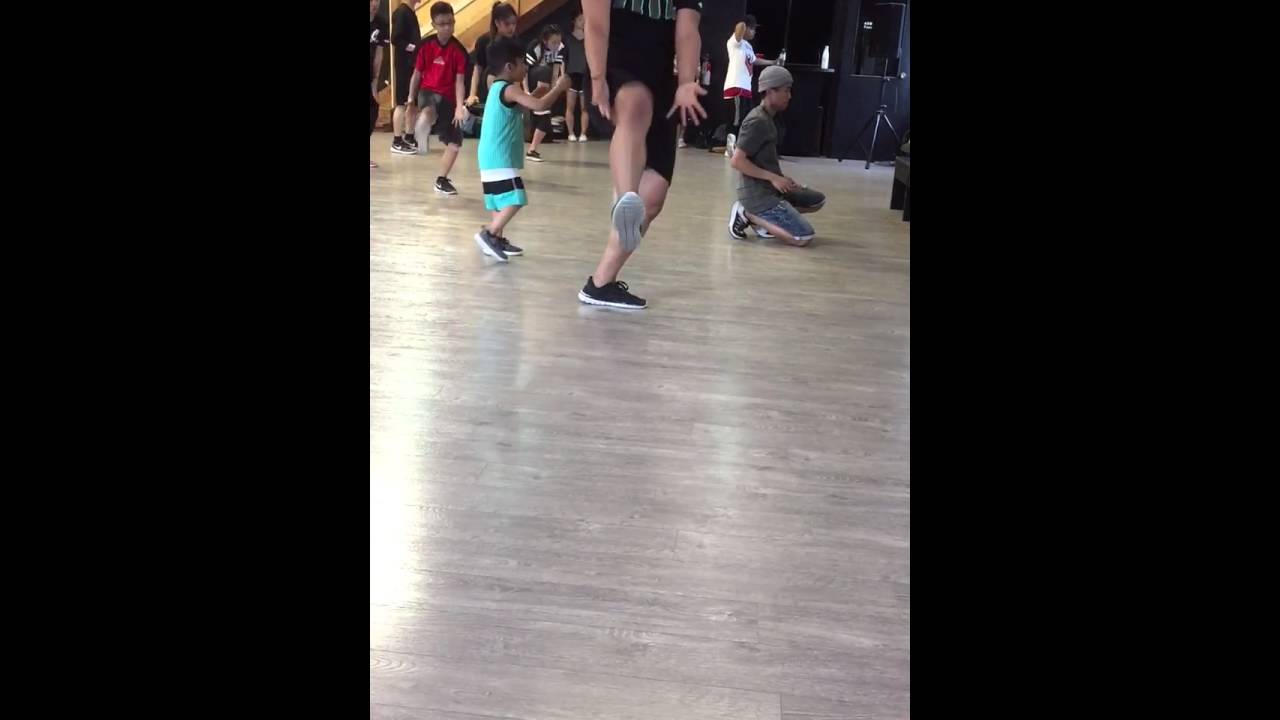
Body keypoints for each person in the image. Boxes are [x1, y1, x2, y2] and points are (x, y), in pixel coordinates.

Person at [577, 0, 705, 310]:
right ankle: (625, 197)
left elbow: (688, 30)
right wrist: (598, 79)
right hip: (613, 65)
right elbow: (596, 25)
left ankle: (600, 284)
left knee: (654, 195)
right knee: (636, 103)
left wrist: (687, 82)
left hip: (661, 77)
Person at [474, 38, 573, 262]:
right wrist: (558, 88)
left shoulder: (498, 88)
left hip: (490, 157)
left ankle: (496, 239)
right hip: (499, 157)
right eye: (522, 63)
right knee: (516, 198)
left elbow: (524, 105)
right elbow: (539, 107)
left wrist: (537, 92)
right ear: (510, 67)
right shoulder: (510, 88)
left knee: (499, 202)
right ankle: (489, 233)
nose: (526, 68)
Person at [727, 66, 826, 247]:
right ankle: (749, 214)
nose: (789, 96)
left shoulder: (768, 118)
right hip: (757, 196)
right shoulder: (757, 121)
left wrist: (781, 179)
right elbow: (737, 161)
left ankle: (766, 220)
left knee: (817, 201)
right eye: (786, 90)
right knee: (803, 237)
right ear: (770, 91)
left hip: (769, 189)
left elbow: (762, 160)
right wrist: (773, 178)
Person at [407, 2, 469, 195]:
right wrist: (410, 99)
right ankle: (422, 125)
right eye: (442, 24)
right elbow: (416, 75)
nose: (447, 28)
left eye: (451, 23)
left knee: (455, 142)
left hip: (448, 99)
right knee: (429, 109)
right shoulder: (425, 46)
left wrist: (459, 107)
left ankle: (441, 180)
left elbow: (460, 82)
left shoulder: (458, 50)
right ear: (433, 24)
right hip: (427, 93)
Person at [722, 15, 777, 158]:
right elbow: (739, 28)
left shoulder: (748, 46)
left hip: (746, 89)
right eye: (752, 29)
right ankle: (729, 148)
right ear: (746, 28)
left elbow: (755, 60)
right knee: (736, 119)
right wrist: (745, 24)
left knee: (746, 119)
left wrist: (772, 62)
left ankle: (740, 147)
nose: (754, 32)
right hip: (736, 86)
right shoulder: (735, 42)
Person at [466, 2, 519, 108]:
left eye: (514, 23)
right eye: (507, 24)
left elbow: (517, 68)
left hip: (510, 84)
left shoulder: (515, 41)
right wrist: (472, 94)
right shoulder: (484, 41)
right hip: (490, 84)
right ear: (497, 23)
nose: (511, 28)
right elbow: (477, 69)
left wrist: (520, 92)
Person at [524, 25, 563, 162]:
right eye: (553, 42)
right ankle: (531, 150)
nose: (557, 45)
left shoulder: (561, 48)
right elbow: (525, 71)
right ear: (545, 41)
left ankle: (532, 150)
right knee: (544, 70)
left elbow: (555, 72)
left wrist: (553, 92)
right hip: (533, 79)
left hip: (545, 83)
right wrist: (526, 91)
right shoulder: (535, 47)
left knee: (545, 121)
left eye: (558, 42)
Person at [390, 0, 423, 155]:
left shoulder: (411, 12)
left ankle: (409, 136)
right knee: (401, 102)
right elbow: (395, 38)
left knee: (412, 102)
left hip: (413, 65)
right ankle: (397, 140)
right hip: (404, 65)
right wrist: (414, 48)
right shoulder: (402, 12)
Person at [561, 8, 591, 142]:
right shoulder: (567, 39)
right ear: (574, 21)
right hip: (571, 74)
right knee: (570, 106)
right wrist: (563, 75)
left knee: (585, 107)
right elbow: (562, 59)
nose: (582, 22)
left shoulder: (589, 38)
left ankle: (583, 133)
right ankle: (571, 133)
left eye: (584, 19)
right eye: (580, 19)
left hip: (584, 75)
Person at [370, 0, 389, 169]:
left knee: (373, 110)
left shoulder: (381, 23)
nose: (374, 3)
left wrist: (375, 83)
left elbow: (379, 53)